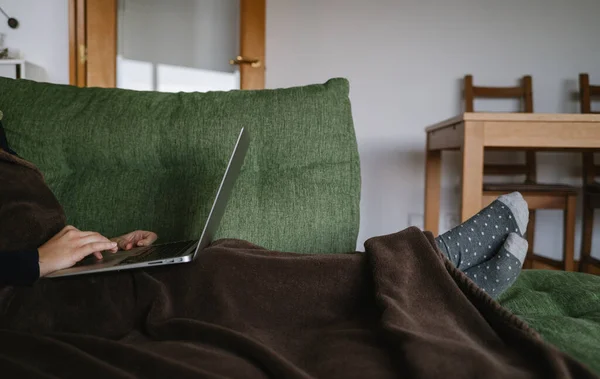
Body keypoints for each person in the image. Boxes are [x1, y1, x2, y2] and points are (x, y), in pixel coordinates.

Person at [0, 121, 529, 297]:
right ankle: (439, 270)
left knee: (222, 257)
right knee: (226, 272)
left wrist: (105, 247)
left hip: (67, 278)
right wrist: (37, 264)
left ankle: (441, 276)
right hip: (31, 296)